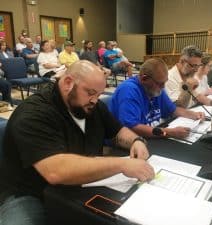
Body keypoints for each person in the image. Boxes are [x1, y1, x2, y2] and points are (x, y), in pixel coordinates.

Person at [0, 60, 154, 225]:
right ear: (68, 83)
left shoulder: (92, 105)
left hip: (79, 185)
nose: (95, 100)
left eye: (99, 94)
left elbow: (118, 131)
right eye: (90, 92)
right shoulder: (34, 114)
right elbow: (56, 171)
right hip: (29, 192)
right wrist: (122, 165)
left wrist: (136, 141)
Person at [109, 58, 205, 139]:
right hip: (127, 142)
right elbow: (132, 127)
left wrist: (193, 115)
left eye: (164, 82)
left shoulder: (157, 88)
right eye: (160, 83)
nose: (163, 87)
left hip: (151, 136)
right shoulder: (128, 90)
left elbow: (173, 110)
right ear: (144, 79)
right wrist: (169, 132)